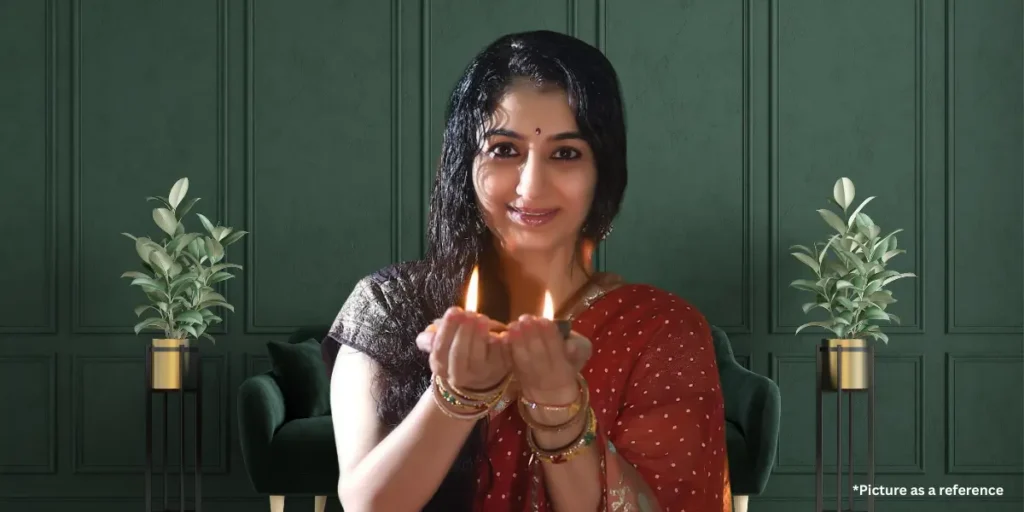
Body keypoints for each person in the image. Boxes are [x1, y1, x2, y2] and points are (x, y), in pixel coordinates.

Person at [321, 30, 732, 512]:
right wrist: (456, 398)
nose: (531, 186)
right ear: (462, 164)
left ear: (603, 171)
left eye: (565, 153)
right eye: (504, 149)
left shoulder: (659, 328)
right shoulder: (390, 305)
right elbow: (367, 505)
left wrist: (559, 410)